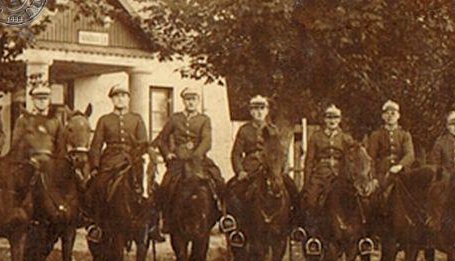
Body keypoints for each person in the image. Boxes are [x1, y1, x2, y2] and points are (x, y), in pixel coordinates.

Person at [152, 86, 225, 234]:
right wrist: (167, 154)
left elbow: (206, 141)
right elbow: (161, 139)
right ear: (183, 101)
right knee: (166, 185)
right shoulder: (175, 118)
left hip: (199, 160)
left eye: (193, 99)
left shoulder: (204, 120)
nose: (190, 102)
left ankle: (221, 215)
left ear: (198, 101)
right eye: (187, 99)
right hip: (179, 161)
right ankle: (164, 219)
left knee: (218, 180)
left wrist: (196, 155)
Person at [85, 84, 148, 240]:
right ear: (112, 100)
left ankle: (149, 224)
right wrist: (95, 166)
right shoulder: (104, 120)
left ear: (128, 99)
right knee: (98, 186)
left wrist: (137, 157)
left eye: (123, 96)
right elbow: (96, 145)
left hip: (132, 161)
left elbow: (143, 142)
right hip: (110, 161)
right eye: (116, 96)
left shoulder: (136, 119)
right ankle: (96, 225)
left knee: (147, 188)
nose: (120, 99)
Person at [230, 95, 299, 217]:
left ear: (267, 111)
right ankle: (235, 222)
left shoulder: (273, 130)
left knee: (292, 189)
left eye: (262, 108)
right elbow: (236, 154)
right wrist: (240, 171)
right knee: (233, 191)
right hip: (250, 169)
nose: (259, 112)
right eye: (255, 109)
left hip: (271, 168)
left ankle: (295, 223)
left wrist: (282, 168)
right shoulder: (244, 130)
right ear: (250, 111)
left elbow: (280, 152)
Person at [302, 104, 356, 248]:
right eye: (329, 117)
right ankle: (312, 235)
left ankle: (360, 235)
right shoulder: (316, 137)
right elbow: (309, 161)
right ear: (324, 119)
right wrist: (307, 182)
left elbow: (353, 157)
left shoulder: (346, 138)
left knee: (357, 200)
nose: (332, 120)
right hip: (321, 174)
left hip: (340, 175)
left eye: (335, 117)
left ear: (340, 119)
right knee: (311, 199)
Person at [365, 100, 415, 208]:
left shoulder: (404, 134)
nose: (390, 116)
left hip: (402, 173)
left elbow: (410, 154)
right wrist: (373, 178)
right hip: (383, 173)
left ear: (398, 116)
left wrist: (400, 166)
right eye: (387, 113)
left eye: (393, 113)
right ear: (383, 116)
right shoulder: (376, 135)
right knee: (376, 200)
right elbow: (371, 158)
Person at [11, 84, 62, 154]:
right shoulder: (24, 120)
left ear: (49, 100)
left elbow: (60, 147)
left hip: (50, 158)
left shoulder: (55, 121)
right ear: (33, 99)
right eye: (39, 99)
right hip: (29, 158)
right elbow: (16, 146)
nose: (42, 101)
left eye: (45, 98)